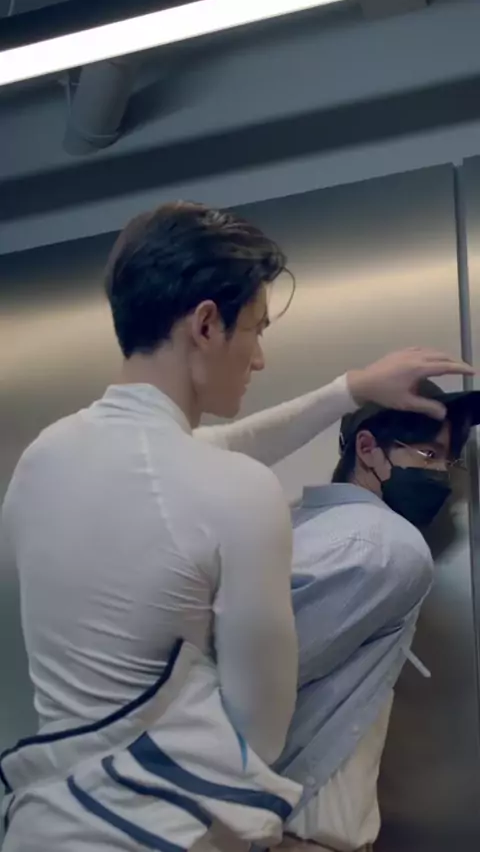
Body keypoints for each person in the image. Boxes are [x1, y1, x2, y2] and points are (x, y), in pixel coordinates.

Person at [0, 200, 473, 852]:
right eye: (256, 329)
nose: (259, 359)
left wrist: (350, 388)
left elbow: (196, 455)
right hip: (165, 835)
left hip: (44, 825)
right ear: (205, 325)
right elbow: (258, 736)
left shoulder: (43, 460)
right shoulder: (239, 494)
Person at [275, 379, 480, 852]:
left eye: (449, 461)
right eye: (428, 456)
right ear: (367, 449)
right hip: (303, 835)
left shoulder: (294, 525)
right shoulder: (388, 543)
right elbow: (261, 685)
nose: (442, 476)